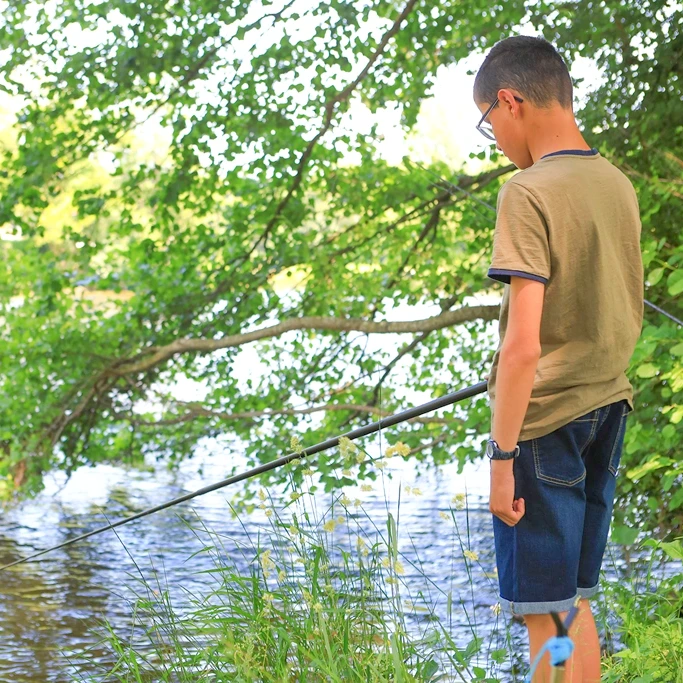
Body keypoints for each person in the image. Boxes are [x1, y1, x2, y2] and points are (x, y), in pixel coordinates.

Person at [473, 36, 644, 682]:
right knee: (573, 601)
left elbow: (521, 347)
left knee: (542, 614)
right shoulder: (616, 184)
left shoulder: (527, 191)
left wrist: (500, 457)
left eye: (488, 121)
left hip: (542, 430)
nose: (493, 138)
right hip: (606, 410)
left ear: (510, 102)